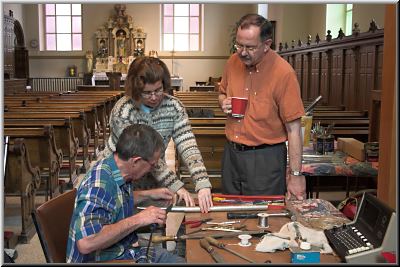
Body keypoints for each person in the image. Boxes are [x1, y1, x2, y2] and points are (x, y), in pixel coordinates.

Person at [100, 56, 213, 213]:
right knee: (120, 223)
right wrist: (176, 185)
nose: (153, 97)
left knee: (154, 222)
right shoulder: (124, 111)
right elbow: (144, 153)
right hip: (119, 178)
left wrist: (202, 183)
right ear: (136, 89)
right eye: (147, 92)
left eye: (158, 90)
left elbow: (188, 145)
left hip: (153, 178)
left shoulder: (174, 107)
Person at [66, 124, 185, 263]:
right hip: (104, 260)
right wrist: (140, 219)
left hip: (120, 248)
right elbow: (86, 243)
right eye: (152, 165)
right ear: (136, 161)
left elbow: (114, 200)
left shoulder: (115, 167)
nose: (152, 169)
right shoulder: (99, 185)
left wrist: (149, 194)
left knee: (175, 256)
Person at [218, 14, 306, 200]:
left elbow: (294, 129)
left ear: (267, 44)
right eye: (239, 45)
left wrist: (296, 176)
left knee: (263, 218)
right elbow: (222, 93)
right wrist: (223, 101)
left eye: (250, 47)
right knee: (229, 213)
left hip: (265, 159)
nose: (242, 52)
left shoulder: (284, 74)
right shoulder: (232, 62)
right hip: (231, 155)